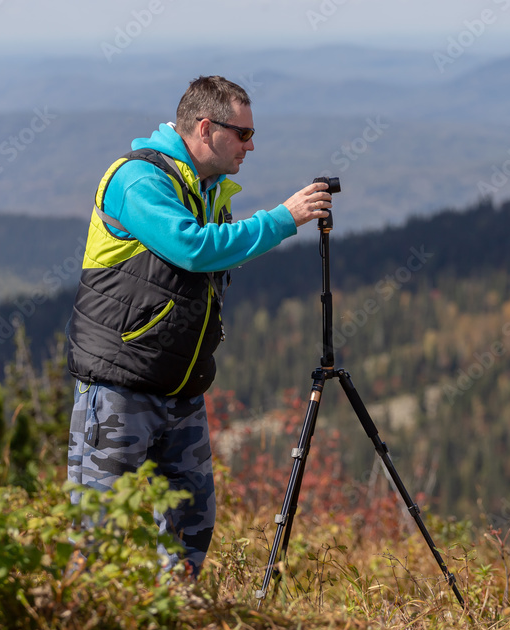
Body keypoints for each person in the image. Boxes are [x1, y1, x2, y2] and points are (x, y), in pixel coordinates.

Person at [66, 75, 331, 577]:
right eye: (244, 134)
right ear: (206, 129)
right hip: (119, 385)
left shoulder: (208, 192)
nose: (252, 146)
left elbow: (212, 259)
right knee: (96, 531)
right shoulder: (137, 180)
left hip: (181, 387)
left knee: (192, 524)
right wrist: (282, 219)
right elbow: (191, 249)